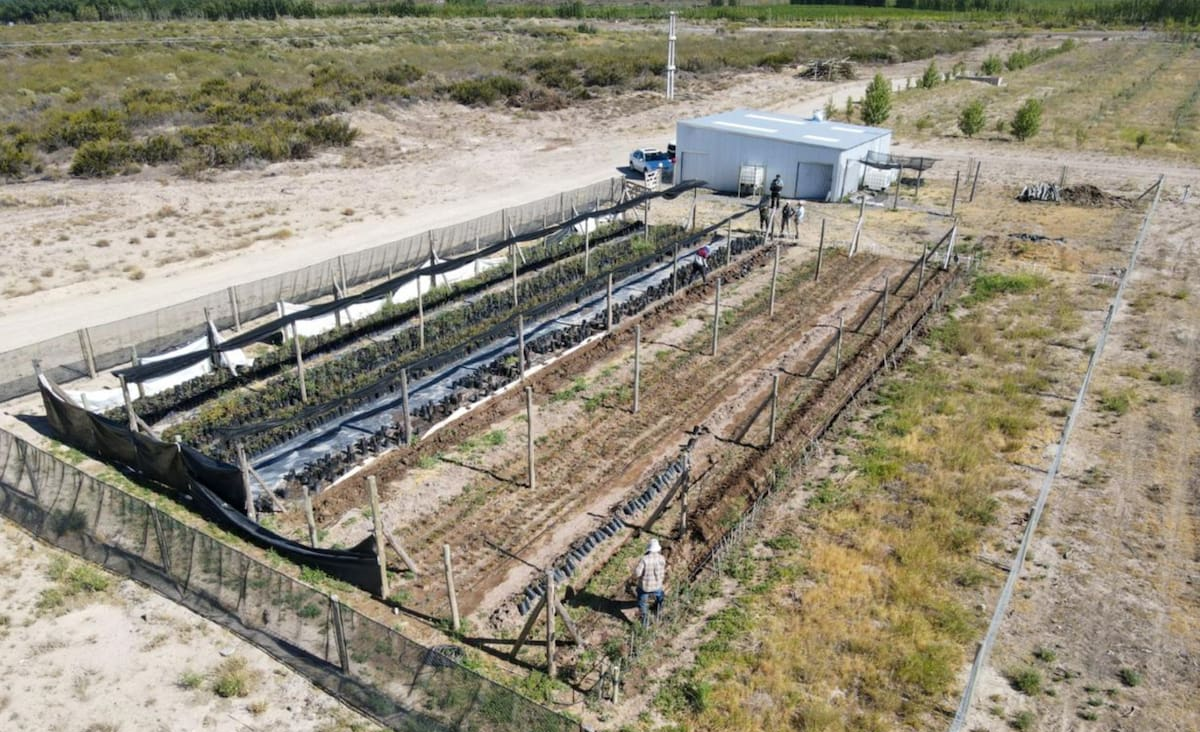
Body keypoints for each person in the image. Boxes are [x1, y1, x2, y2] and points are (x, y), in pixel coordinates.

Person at [633, 538, 666, 627]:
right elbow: (662, 572)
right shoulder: (662, 558)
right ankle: (659, 611)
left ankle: (645, 623)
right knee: (660, 597)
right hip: (657, 585)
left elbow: (637, 573)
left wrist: (635, 576)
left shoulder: (644, 559)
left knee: (642, 604)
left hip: (645, 587)